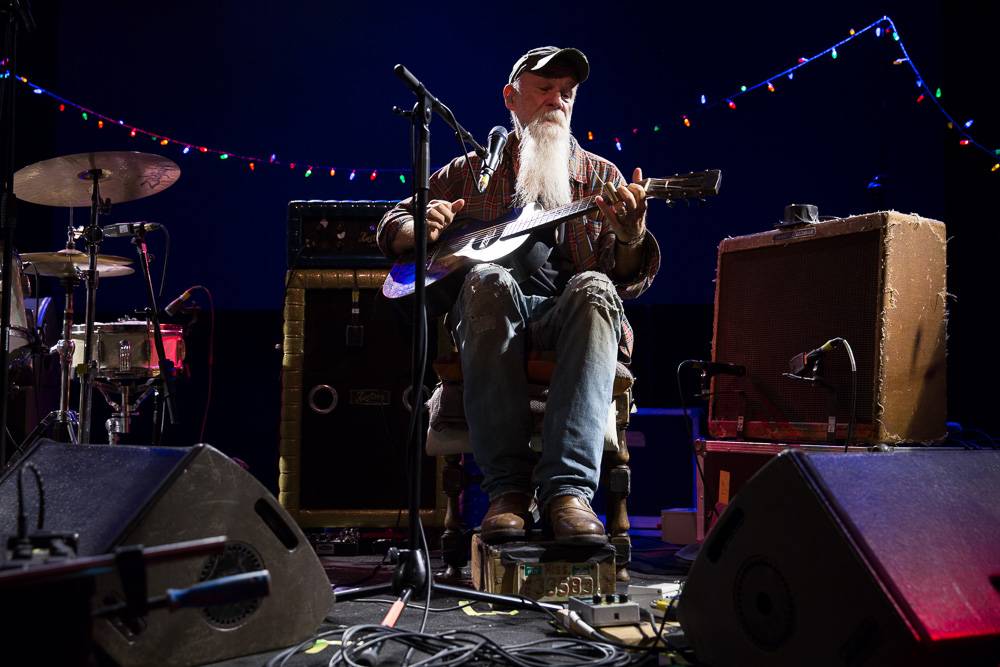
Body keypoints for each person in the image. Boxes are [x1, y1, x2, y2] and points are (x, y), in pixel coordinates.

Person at [377, 46, 660, 544]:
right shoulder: (471, 170)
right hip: (491, 313)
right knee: (487, 281)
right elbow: (393, 222)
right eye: (545, 90)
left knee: (594, 287)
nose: (557, 101)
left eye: (566, 94)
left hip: (567, 316)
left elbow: (627, 281)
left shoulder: (602, 178)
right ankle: (507, 491)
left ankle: (568, 493)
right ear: (511, 98)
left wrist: (631, 236)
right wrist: (414, 226)